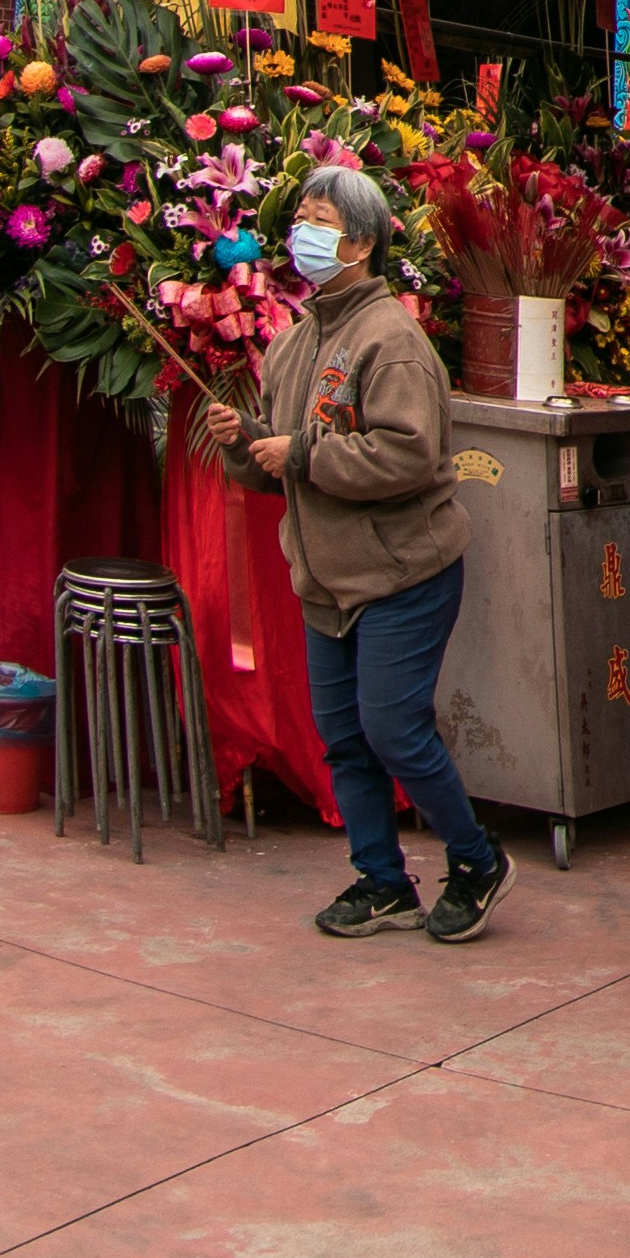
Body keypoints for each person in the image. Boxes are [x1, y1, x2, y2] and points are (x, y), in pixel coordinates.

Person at [231, 161, 504, 944]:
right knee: (344, 739)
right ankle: (381, 880)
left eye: (317, 221)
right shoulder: (292, 342)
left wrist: (304, 455)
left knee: (395, 732)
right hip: (327, 579)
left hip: (402, 572)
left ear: (360, 242)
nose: (302, 235)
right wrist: (243, 446)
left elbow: (408, 457)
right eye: (303, 220)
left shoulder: (394, 340)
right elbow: (278, 459)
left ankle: (476, 859)